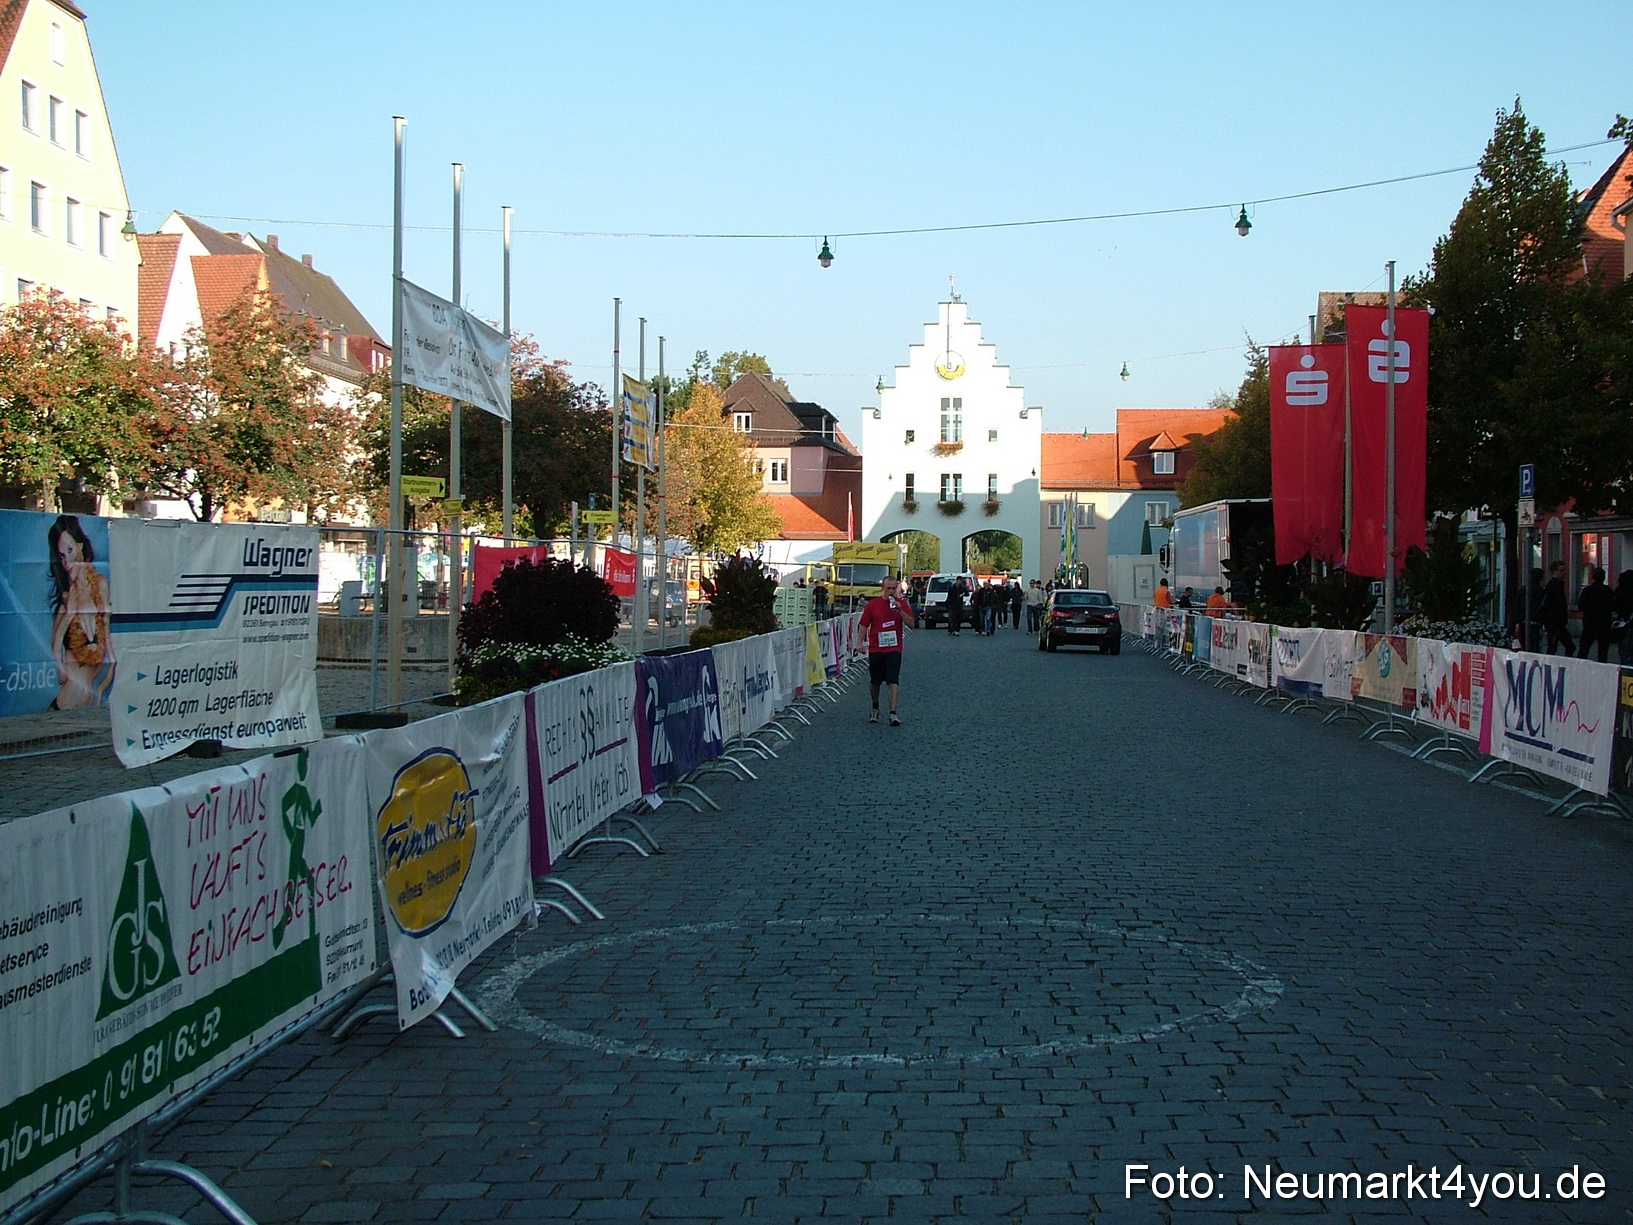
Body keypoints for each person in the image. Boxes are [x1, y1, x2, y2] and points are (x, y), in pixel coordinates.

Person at [48, 515, 114, 710]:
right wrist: (69, 614)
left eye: (69, 550)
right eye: (61, 556)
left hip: (87, 708)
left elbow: (110, 653)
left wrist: (101, 690)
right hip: (63, 708)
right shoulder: (67, 602)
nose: (67, 561)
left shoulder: (100, 584)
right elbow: (56, 652)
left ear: (80, 546)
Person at [859, 574, 916, 725]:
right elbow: (863, 624)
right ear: (882, 588)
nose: (891, 591)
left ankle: (893, 713)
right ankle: (875, 707)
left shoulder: (901, 604)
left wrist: (900, 611)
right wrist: (859, 643)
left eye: (893, 588)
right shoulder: (873, 605)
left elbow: (912, 624)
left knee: (893, 680)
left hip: (894, 647)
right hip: (876, 648)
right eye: (888, 588)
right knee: (875, 681)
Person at [1576, 565, 1614, 663]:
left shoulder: (1587, 590)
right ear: (1604, 577)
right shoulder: (1608, 591)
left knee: (1584, 649)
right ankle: (1602, 668)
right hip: (1604, 623)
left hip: (1589, 623)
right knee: (1603, 651)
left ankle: (1580, 666)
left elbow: (1580, 606)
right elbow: (1613, 606)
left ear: (1593, 577)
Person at [1539, 560, 1573, 656]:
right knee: (1554, 647)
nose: (1564, 572)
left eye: (1564, 570)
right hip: (1554, 623)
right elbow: (1549, 605)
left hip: (1558, 623)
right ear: (1555, 572)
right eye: (1562, 570)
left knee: (1559, 647)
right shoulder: (1552, 586)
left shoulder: (1559, 585)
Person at [1615, 570, 1633, 666]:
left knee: (1625, 653)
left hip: (1623, 624)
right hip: (1630, 623)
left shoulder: (1619, 591)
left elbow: (1614, 606)